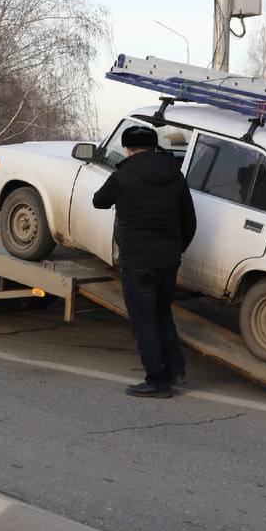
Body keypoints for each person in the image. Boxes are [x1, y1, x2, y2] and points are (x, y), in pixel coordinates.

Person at [92, 125, 197, 398]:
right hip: (168, 261)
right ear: (155, 146)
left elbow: (98, 201)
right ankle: (176, 370)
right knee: (162, 313)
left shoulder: (123, 175)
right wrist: (175, 250)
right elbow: (190, 221)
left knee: (144, 321)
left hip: (138, 261)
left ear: (128, 148)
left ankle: (157, 381)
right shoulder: (176, 174)